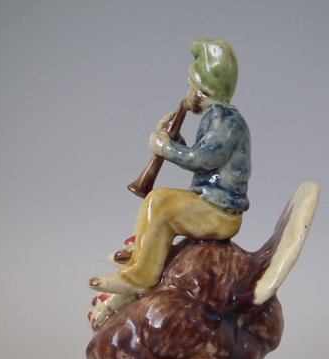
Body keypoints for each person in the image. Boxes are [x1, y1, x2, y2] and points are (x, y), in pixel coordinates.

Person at [90, 39, 251, 297]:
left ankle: (139, 277)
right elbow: (203, 159)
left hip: (221, 213)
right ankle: (143, 253)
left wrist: (165, 147)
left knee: (159, 203)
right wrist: (175, 140)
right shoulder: (218, 116)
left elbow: (202, 160)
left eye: (190, 86)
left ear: (202, 90)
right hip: (210, 204)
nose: (187, 93)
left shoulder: (224, 119)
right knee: (158, 200)